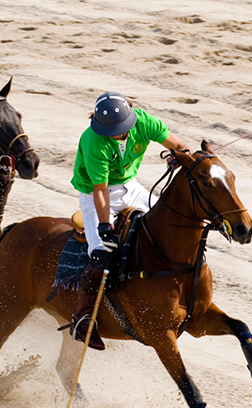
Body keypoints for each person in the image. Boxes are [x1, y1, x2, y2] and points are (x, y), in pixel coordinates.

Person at [69, 91, 190, 350]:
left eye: (119, 130)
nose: (115, 134)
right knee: (100, 252)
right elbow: (100, 190)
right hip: (95, 195)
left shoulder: (145, 122)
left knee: (169, 224)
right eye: (110, 131)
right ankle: (83, 317)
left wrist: (178, 156)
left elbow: (178, 146)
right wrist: (105, 227)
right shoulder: (93, 141)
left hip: (130, 186)